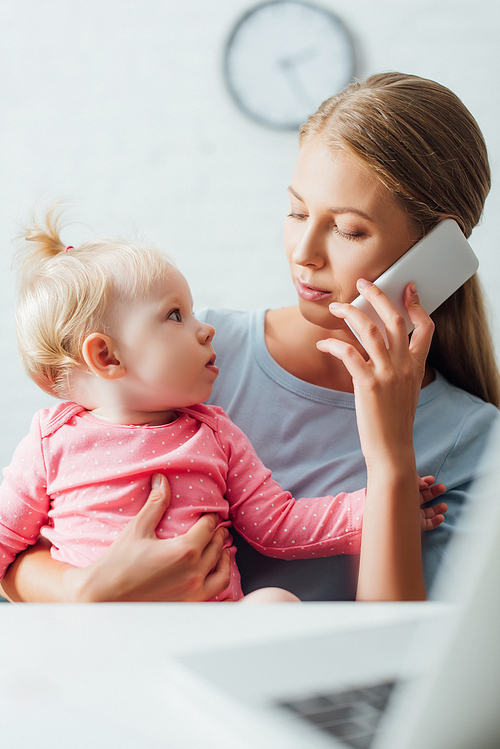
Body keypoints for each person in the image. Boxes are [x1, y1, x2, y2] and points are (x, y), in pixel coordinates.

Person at [1, 71, 498, 603]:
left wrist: (393, 460)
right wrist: (85, 590)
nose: (304, 251)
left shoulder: (472, 441)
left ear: (438, 254)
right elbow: (23, 551)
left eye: (349, 230)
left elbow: (394, 660)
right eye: (297, 212)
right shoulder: (190, 361)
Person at [0, 211, 446, 603]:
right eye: (176, 315)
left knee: (274, 603)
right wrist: (79, 591)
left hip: (210, 636)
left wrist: (381, 509)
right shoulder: (51, 444)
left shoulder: (214, 433)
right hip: (100, 643)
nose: (205, 328)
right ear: (107, 357)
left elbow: (277, 524)